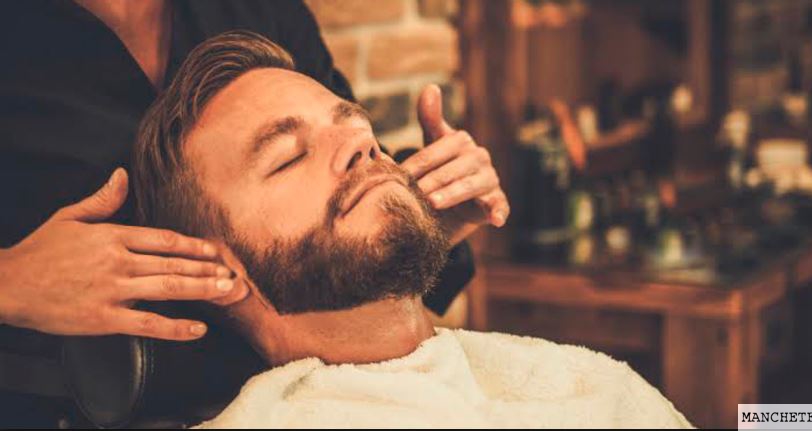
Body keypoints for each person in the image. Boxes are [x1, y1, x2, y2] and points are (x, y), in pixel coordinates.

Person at [131, 31, 691, 429]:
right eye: (288, 157)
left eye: (355, 126)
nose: (362, 145)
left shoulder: (585, 386)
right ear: (217, 268)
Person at [1, 1, 507, 425]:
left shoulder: (261, 8)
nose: (361, 146)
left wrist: (415, 213)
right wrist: (9, 283)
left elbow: (340, 156)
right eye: (285, 158)